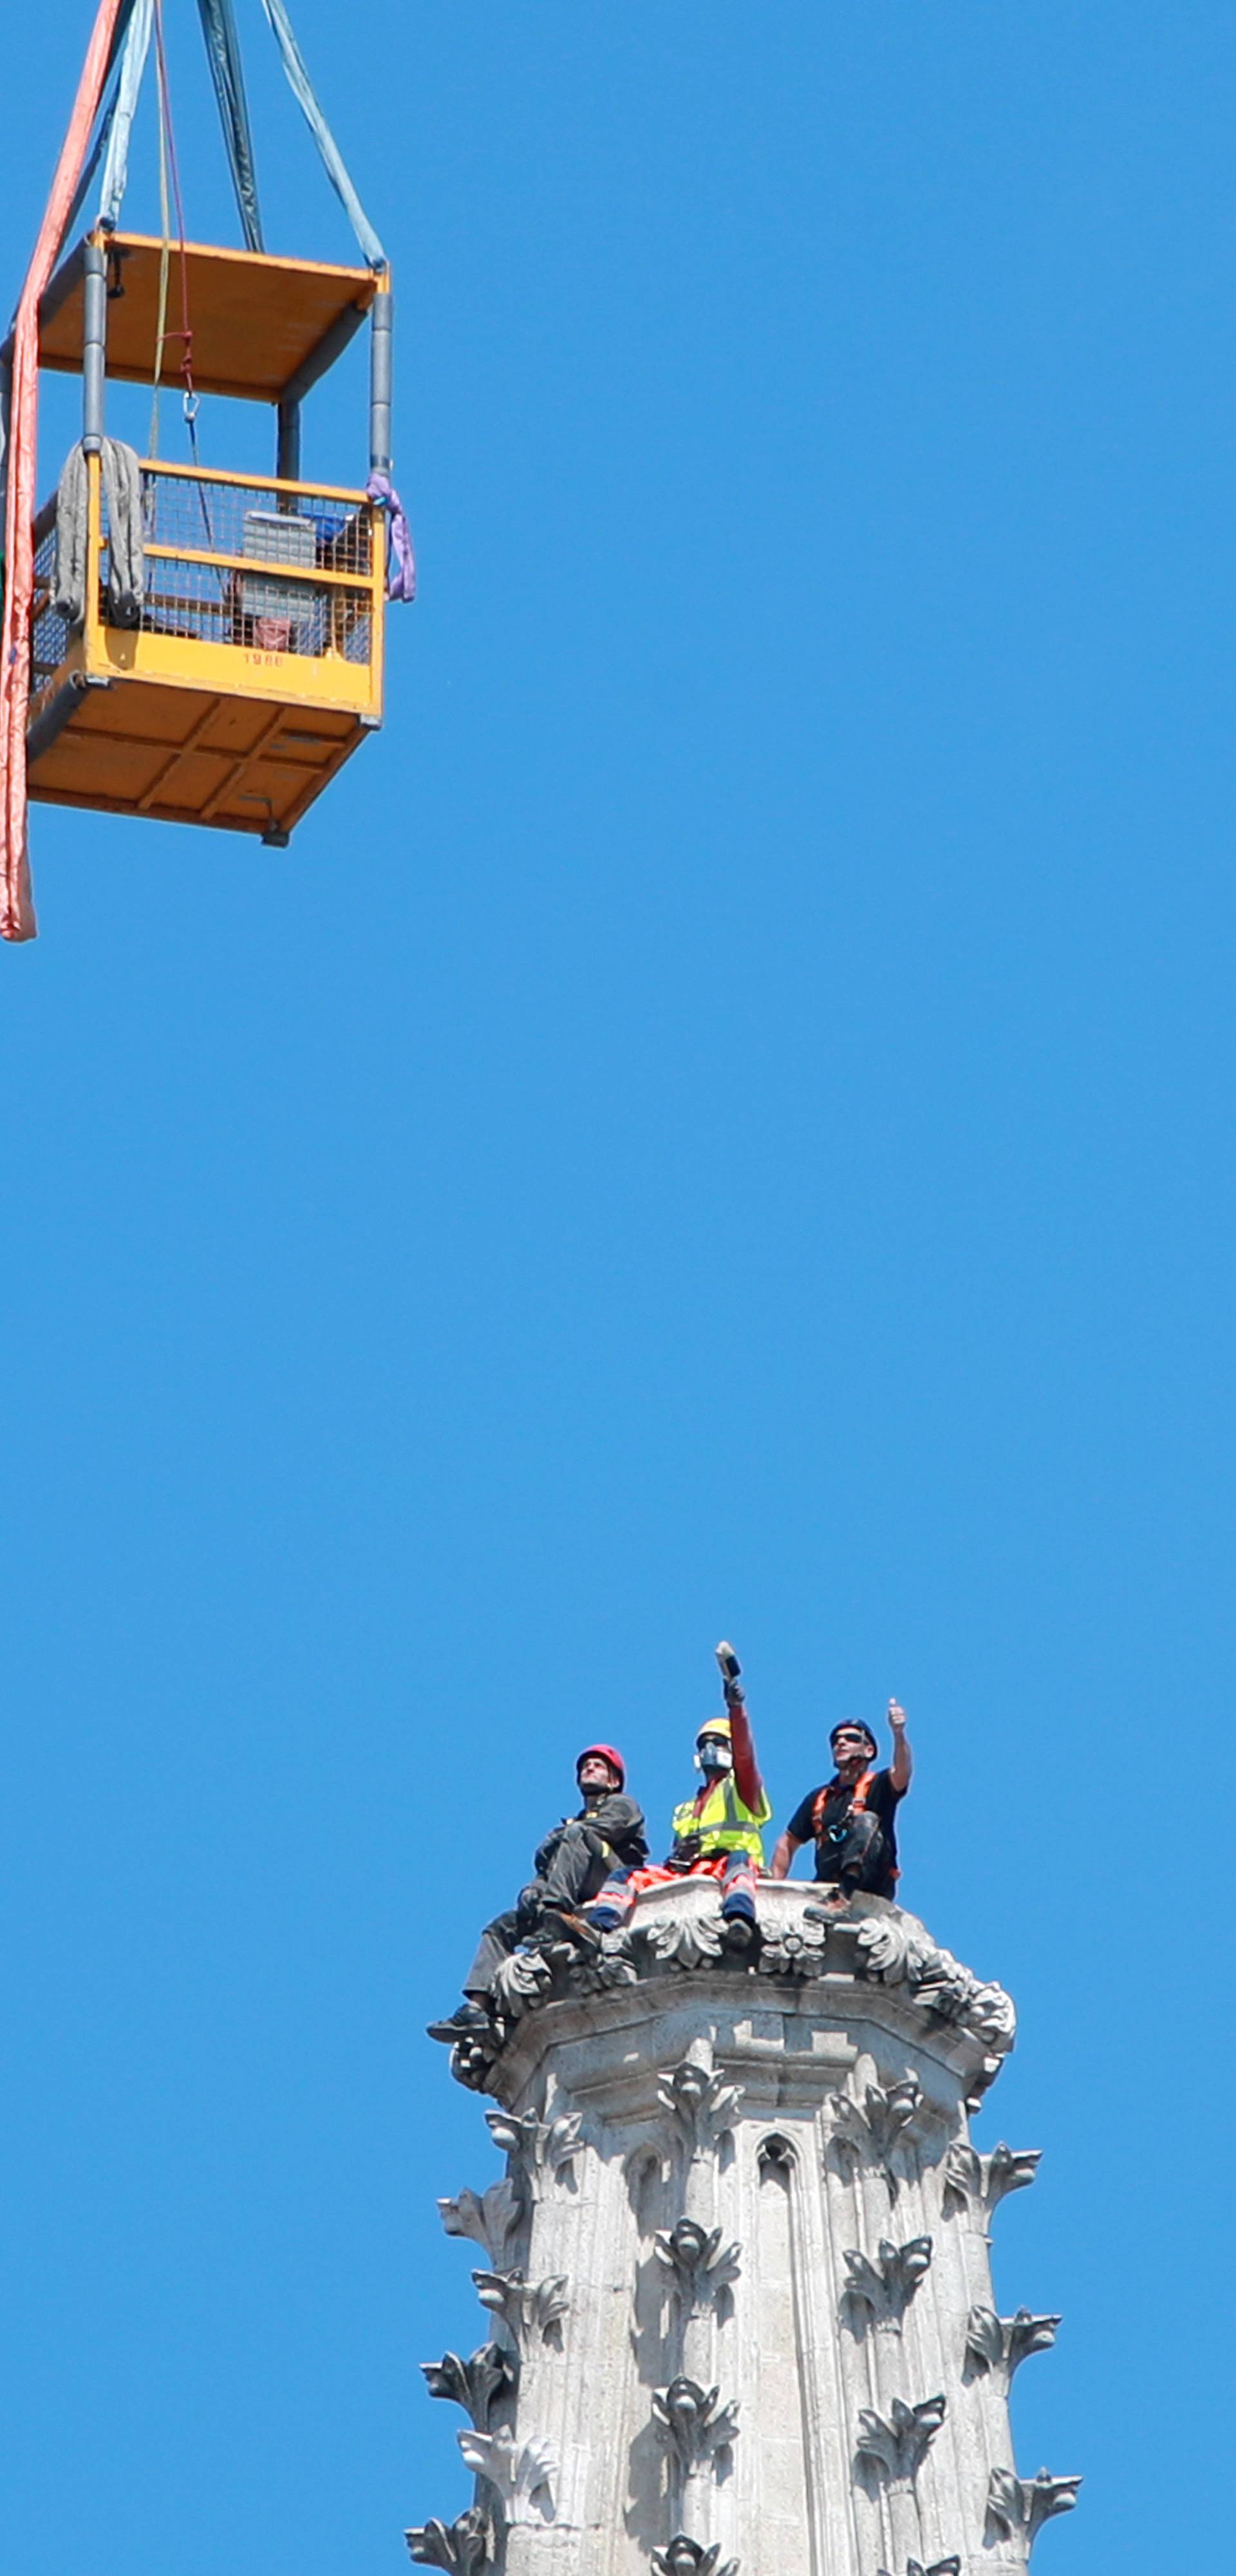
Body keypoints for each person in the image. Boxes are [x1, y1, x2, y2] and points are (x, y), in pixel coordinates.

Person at [426, 1745, 648, 2041]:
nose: (589, 1769)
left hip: (612, 1878)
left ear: (613, 1781)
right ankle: (476, 2008)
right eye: (585, 1766)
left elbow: (598, 1832)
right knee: (500, 1927)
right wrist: (532, 1892)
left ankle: (555, 1914)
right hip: (573, 1881)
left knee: (576, 1835)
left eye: (598, 1766)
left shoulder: (622, 1805)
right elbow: (550, 1864)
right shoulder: (573, 1825)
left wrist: (557, 1842)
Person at [586, 1645, 772, 1951]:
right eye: (706, 1744)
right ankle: (601, 1925)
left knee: (740, 1866)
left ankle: (739, 1918)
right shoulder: (686, 1810)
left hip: (727, 1864)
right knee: (627, 1876)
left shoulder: (741, 1789)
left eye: (718, 1743)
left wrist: (736, 1710)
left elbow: (745, 1755)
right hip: (689, 1869)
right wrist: (679, 1857)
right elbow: (677, 1853)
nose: (711, 1750)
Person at [770, 1700, 912, 1900]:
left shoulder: (877, 1785)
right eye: (836, 1740)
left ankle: (845, 1896)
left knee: (867, 1820)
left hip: (872, 1879)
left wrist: (898, 1734)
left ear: (868, 1750)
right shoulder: (821, 1798)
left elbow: (902, 1774)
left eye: (851, 1738)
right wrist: (776, 1888)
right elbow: (788, 1841)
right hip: (830, 1877)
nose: (841, 1743)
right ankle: (838, 1895)